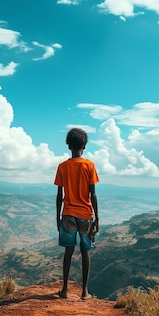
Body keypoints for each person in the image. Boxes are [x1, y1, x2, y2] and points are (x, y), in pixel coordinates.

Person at [54, 127, 100, 300]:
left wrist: (58, 218)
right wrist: (97, 218)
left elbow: (59, 196)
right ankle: (85, 292)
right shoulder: (89, 165)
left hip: (67, 214)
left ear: (68, 146)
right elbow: (93, 194)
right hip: (86, 215)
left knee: (68, 251)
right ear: (84, 146)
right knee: (85, 251)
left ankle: (65, 290)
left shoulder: (62, 167)